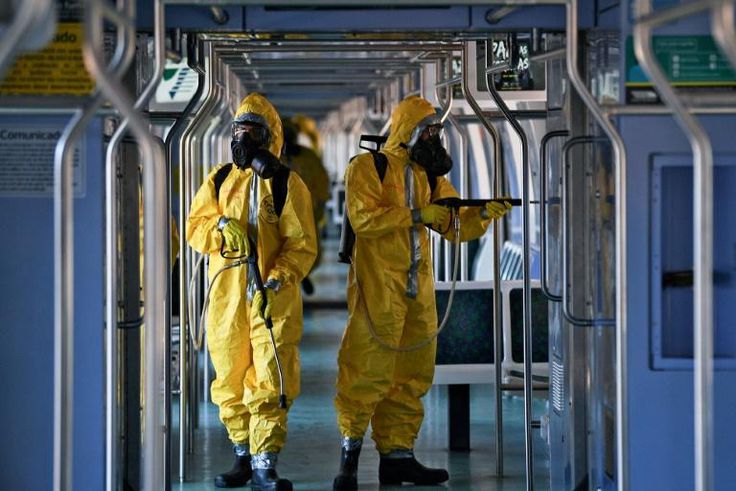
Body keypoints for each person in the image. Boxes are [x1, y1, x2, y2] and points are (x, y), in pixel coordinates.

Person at [332, 95, 511, 490]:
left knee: (410, 377)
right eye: (429, 130)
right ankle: (349, 458)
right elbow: (364, 219)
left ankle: (398, 457)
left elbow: (452, 222)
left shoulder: (429, 176)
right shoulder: (368, 168)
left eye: (437, 131)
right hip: (377, 290)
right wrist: (415, 215)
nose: (435, 137)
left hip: (417, 294)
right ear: (410, 131)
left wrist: (480, 215)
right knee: (366, 373)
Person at [186, 93, 317, 491]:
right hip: (227, 300)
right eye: (238, 131)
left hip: (271, 300)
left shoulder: (286, 184)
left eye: (252, 132)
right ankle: (241, 454)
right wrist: (223, 228)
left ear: (269, 137)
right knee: (229, 376)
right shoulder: (219, 179)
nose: (242, 139)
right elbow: (196, 227)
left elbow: (302, 245)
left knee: (270, 379)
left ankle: (265, 463)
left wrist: (276, 280)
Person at [281, 118, 330, 295]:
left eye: (291, 136)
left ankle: (302, 275)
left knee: (310, 250)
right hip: (280, 216)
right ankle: (290, 279)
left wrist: (319, 210)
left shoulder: (309, 158)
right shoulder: (272, 158)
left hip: (307, 213)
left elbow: (321, 183)